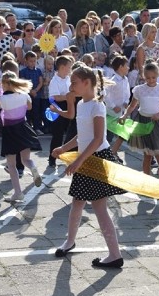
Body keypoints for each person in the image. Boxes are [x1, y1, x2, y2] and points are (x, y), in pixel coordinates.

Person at [51, 66, 126, 268]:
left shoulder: (97, 106)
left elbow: (97, 139)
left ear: (86, 83)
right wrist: (63, 148)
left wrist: (78, 161)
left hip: (96, 159)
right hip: (87, 158)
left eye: (74, 81)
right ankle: (70, 241)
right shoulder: (83, 104)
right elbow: (81, 136)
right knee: (78, 202)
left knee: (99, 207)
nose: (71, 85)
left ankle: (114, 254)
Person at [0, 72, 43, 203]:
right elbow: (29, 107)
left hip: (10, 131)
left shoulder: (4, 99)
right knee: (26, 160)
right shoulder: (24, 95)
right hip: (23, 127)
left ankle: (18, 193)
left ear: (5, 84)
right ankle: (33, 168)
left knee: (12, 165)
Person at [121, 61, 159, 182]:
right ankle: (147, 178)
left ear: (158, 75)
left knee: (158, 149)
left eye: (153, 77)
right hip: (143, 122)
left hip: (157, 122)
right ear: (143, 77)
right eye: (148, 78)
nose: (151, 80)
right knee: (147, 153)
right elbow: (132, 106)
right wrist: (125, 115)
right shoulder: (139, 90)